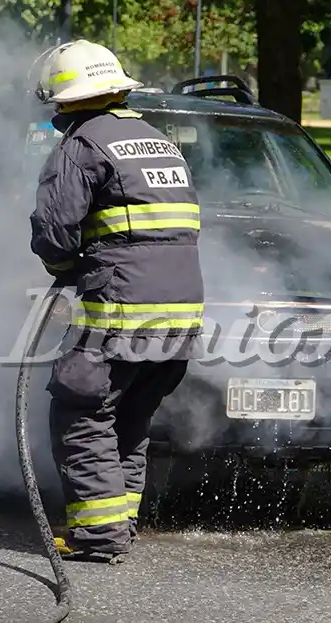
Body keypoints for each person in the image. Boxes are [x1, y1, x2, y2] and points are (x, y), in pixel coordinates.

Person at [27, 40, 205, 564]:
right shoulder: (159, 142)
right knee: (130, 414)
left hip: (120, 309)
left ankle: (100, 535)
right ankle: (121, 524)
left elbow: (55, 232)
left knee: (81, 409)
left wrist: (65, 269)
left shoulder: (82, 146)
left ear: (66, 101)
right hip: (181, 315)